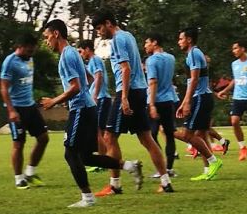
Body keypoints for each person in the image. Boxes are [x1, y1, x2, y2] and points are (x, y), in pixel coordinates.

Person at [40, 19, 143, 207]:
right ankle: (129, 166)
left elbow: (76, 87)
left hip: (81, 109)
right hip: (88, 108)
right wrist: (84, 96)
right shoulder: (73, 53)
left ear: (56, 34)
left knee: (70, 154)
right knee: (85, 156)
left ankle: (87, 197)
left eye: (47, 37)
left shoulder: (66, 56)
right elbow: (88, 78)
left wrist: (54, 101)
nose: (46, 42)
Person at [91, 12, 173, 195]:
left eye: (99, 28)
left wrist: (124, 97)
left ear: (108, 23)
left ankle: (115, 185)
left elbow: (126, 68)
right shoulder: (128, 35)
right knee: (146, 138)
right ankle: (166, 182)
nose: (99, 32)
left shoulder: (118, 39)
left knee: (109, 137)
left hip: (128, 91)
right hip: (140, 90)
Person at [0, 33, 49, 190]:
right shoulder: (10, 62)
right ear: (20, 47)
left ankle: (30, 173)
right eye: (29, 51)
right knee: (19, 144)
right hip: (16, 108)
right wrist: (11, 110)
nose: (31, 54)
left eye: (33, 51)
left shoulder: (30, 59)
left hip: (30, 106)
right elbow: (3, 88)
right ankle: (19, 179)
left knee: (43, 138)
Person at [175, 27, 224, 181]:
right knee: (201, 135)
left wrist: (187, 101)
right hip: (202, 97)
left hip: (201, 97)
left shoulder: (194, 53)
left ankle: (214, 162)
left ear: (189, 39)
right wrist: (184, 101)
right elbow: (193, 80)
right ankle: (208, 170)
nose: (179, 42)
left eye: (181, 39)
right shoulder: (194, 54)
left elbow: (195, 79)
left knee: (188, 135)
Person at [143, 33, 179, 180]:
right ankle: (169, 168)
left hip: (156, 100)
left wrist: (152, 104)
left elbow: (153, 82)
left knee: (152, 135)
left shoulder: (151, 60)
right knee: (170, 135)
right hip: (169, 99)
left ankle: (161, 168)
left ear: (155, 43)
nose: (145, 46)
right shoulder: (171, 58)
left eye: (147, 42)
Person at [77, 39, 111, 160]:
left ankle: (103, 161)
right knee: (98, 131)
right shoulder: (90, 62)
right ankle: (102, 158)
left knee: (98, 131)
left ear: (87, 49)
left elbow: (98, 75)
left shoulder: (95, 59)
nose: (81, 54)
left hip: (101, 98)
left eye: (81, 51)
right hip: (100, 98)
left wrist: (95, 95)